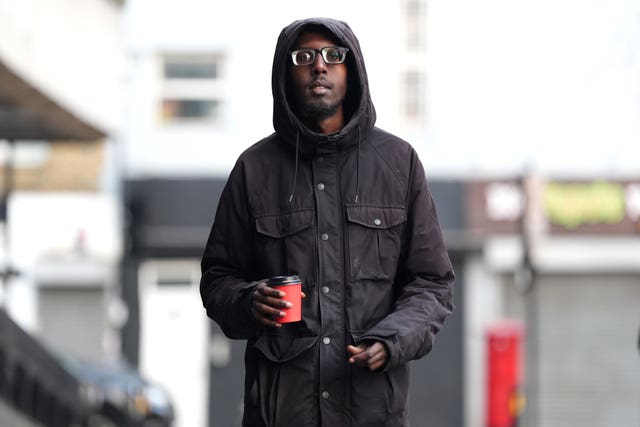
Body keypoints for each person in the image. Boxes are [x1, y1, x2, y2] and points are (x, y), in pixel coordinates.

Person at [200, 17, 455, 427]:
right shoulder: (254, 169)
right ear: (285, 74)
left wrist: (392, 341)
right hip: (280, 414)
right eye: (304, 57)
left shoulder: (398, 164)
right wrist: (250, 301)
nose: (319, 66)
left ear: (351, 71)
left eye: (334, 56)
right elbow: (217, 280)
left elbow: (432, 283)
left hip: (373, 412)